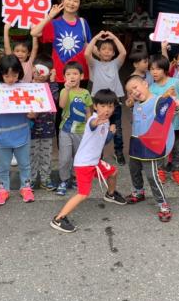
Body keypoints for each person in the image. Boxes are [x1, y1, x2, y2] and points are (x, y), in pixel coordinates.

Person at [50, 89, 127, 233]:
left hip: (95, 162)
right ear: (95, 106)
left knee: (113, 172)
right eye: (103, 106)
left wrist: (111, 132)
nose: (107, 109)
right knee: (83, 194)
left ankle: (110, 194)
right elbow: (92, 125)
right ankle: (59, 219)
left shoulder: (106, 121)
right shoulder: (93, 119)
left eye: (110, 106)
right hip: (84, 164)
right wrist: (97, 121)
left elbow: (103, 141)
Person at [124, 75, 174, 222]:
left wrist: (175, 103)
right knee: (133, 169)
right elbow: (135, 108)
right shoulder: (136, 103)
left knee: (152, 175)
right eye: (130, 91)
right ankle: (139, 192)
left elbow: (171, 110)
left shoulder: (159, 101)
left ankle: (163, 204)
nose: (134, 92)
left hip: (151, 144)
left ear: (145, 84)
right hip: (136, 142)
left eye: (135, 87)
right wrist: (130, 102)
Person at [0, 54, 35, 206]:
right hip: (3, 134)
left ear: (19, 73)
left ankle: (26, 187)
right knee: (3, 165)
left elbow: (32, 110)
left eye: (14, 75)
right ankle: (3, 189)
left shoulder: (24, 88)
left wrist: (33, 114)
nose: (11, 79)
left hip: (22, 132)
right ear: (0, 74)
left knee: (24, 163)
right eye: (7, 75)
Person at [84, 30, 127, 165]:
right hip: (100, 102)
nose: (107, 52)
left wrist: (114, 37)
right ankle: (98, 154)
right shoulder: (94, 64)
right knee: (99, 127)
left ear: (113, 53)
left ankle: (119, 152)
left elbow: (123, 53)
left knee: (117, 128)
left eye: (110, 50)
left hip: (115, 101)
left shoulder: (115, 64)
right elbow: (87, 53)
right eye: (103, 49)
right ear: (98, 51)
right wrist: (96, 38)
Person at [30, 0, 91, 84]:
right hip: (60, 74)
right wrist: (50, 16)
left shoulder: (83, 22)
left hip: (80, 73)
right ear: (62, 0)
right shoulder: (54, 23)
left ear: (79, 4)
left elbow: (89, 45)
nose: (72, 3)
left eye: (75, 1)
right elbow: (34, 33)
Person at [149, 52, 179, 186]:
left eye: (158, 69)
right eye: (151, 69)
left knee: (177, 149)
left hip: (177, 123)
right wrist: (165, 96)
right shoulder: (151, 88)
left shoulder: (175, 82)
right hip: (161, 125)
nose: (154, 72)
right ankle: (160, 171)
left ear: (165, 69)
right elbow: (153, 106)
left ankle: (176, 171)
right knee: (160, 148)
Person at [56, 61, 92, 196]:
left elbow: (88, 110)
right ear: (64, 77)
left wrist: (90, 127)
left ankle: (76, 178)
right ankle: (64, 180)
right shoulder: (64, 91)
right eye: (68, 74)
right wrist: (66, 89)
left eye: (75, 73)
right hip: (65, 130)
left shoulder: (85, 92)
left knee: (79, 157)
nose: (72, 76)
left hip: (81, 131)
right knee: (64, 158)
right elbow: (62, 105)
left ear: (81, 76)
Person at [29, 57, 59, 191]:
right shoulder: (27, 86)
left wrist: (52, 81)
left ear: (50, 72)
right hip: (31, 128)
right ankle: (31, 179)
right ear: (32, 69)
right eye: (37, 70)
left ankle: (45, 178)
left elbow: (54, 99)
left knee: (46, 155)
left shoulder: (51, 87)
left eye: (43, 71)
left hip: (47, 128)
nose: (40, 74)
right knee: (31, 155)